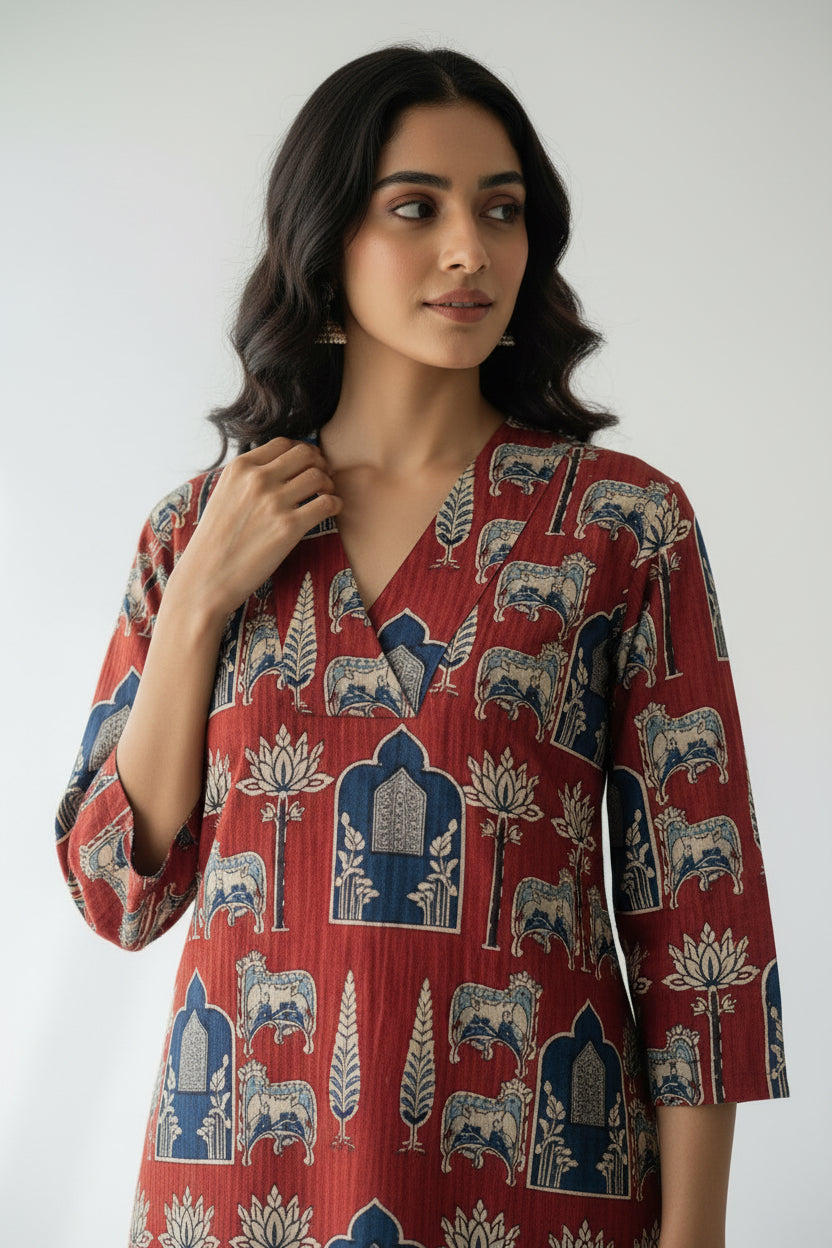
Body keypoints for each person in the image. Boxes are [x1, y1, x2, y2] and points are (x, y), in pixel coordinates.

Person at [56, 45, 788, 1248]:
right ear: (324, 239)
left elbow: (703, 929)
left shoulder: (620, 525)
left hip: (543, 1187)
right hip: (242, 1187)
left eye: (501, 210)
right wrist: (196, 603)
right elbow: (115, 893)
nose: (471, 249)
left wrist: (695, 1235)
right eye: (417, 208)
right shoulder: (199, 530)